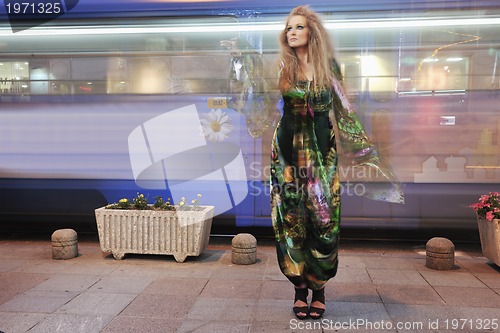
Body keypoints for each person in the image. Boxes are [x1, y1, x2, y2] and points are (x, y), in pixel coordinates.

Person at [226, 5, 404, 320]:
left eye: (298, 27)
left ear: (312, 32)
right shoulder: (281, 67)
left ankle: (319, 288)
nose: (291, 32)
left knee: (324, 221)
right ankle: (298, 289)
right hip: (286, 155)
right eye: (288, 28)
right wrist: (239, 60)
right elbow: (255, 97)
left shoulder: (329, 68)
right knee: (291, 222)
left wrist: (368, 157)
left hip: (324, 153)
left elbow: (345, 111)